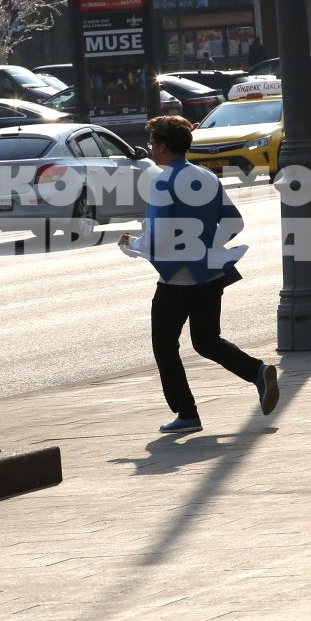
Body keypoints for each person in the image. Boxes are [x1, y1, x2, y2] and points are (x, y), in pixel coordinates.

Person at [120, 115, 280, 433]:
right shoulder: (206, 177)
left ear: (163, 147)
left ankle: (187, 414)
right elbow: (234, 223)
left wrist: (133, 245)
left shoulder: (162, 182)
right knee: (206, 340)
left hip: (175, 281)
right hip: (209, 275)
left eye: (153, 143)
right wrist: (204, 246)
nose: (151, 148)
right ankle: (257, 372)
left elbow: (160, 237)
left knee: (165, 345)